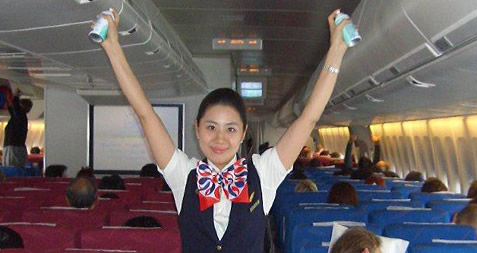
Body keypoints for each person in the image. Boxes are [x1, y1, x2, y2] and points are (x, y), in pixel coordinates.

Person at [96, 8, 351, 252]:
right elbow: (145, 114)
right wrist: (112, 47)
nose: (219, 138)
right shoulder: (183, 175)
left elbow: (308, 118)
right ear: (197, 130)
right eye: (211, 127)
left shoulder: (263, 173)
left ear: (243, 133)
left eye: (230, 129)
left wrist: (337, 50)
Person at [3, 88, 33, 168]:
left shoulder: (21, 116)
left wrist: (16, 96)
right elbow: (13, 110)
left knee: (11, 169)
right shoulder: (20, 118)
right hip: (15, 147)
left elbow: (15, 109)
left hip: (14, 148)